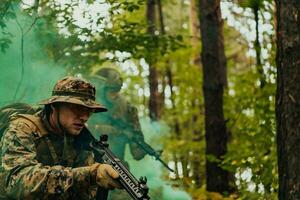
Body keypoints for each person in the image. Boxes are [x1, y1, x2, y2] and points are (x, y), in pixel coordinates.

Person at [0, 76, 122, 199]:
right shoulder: (22, 129)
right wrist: (89, 175)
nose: (84, 117)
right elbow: (18, 183)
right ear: (55, 106)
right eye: (77, 108)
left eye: (89, 111)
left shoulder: (80, 138)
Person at [88, 68, 147, 200]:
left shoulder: (128, 108)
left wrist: (135, 141)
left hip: (117, 169)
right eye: (111, 91)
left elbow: (137, 154)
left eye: (117, 91)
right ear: (102, 89)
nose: (114, 95)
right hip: (87, 168)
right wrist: (100, 128)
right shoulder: (87, 105)